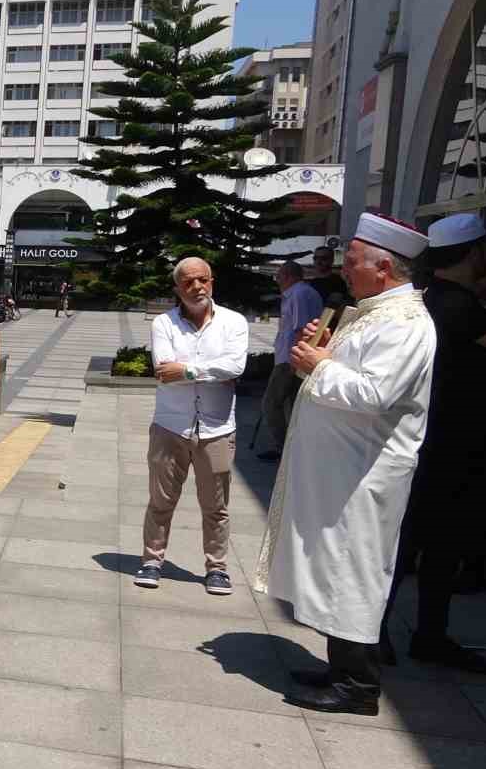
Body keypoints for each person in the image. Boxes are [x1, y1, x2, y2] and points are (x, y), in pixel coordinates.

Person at [256, 213, 436, 716]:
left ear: (383, 268)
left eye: (352, 261)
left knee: (353, 571)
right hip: (341, 471)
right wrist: (312, 353)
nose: (343, 268)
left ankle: (358, 685)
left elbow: (374, 394)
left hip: (364, 476)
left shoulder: (404, 323)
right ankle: (341, 667)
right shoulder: (371, 312)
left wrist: (321, 365)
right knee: (334, 566)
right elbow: (337, 372)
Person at [380, 213, 486, 672]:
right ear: (473, 254)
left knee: (409, 546)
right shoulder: (463, 310)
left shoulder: (429, 302)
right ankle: (418, 635)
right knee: (432, 549)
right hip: (453, 448)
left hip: (422, 442)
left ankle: (389, 634)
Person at [133, 258, 250, 597]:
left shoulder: (234, 322)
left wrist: (185, 371)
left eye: (203, 280)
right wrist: (210, 371)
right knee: (161, 500)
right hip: (171, 427)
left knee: (216, 506)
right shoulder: (163, 323)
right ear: (177, 288)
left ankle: (217, 568)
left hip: (216, 429)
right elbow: (162, 369)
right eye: (188, 282)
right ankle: (152, 560)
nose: (197, 287)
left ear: (212, 281)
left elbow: (235, 366)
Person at [260, 260, 325, 461]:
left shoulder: (298, 293)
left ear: (288, 276)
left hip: (291, 360)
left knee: (271, 403)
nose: (276, 279)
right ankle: (291, 448)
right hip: (289, 357)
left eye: (278, 275)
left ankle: (284, 449)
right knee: (290, 405)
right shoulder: (297, 293)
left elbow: (301, 329)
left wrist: (293, 361)